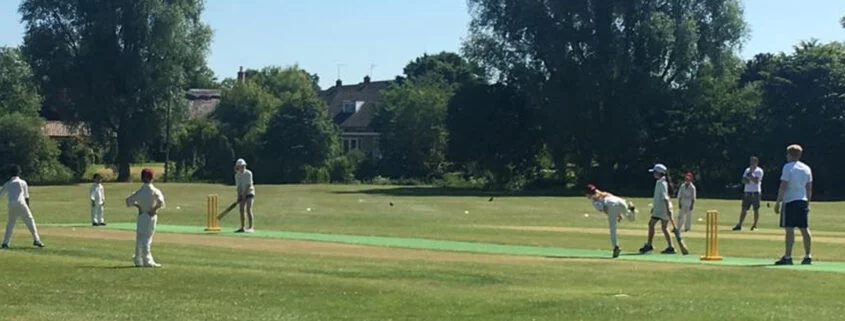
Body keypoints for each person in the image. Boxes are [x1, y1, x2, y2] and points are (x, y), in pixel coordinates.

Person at [774, 145, 813, 266]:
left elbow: (783, 185)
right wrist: (808, 202)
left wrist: (778, 202)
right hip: (802, 200)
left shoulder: (788, 167)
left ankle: (788, 256)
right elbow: (809, 188)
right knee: (804, 229)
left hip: (790, 201)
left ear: (790, 155)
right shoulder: (806, 168)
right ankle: (808, 255)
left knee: (789, 229)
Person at [125, 168, 165, 268]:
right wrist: (154, 209)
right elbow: (161, 202)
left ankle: (138, 259)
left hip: (141, 215)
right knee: (147, 238)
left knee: (139, 237)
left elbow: (128, 201)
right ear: (152, 178)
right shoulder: (155, 191)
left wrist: (138, 206)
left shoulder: (140, 191)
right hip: (150, 216)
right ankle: (147, 260)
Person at [585, 184, 637, 258]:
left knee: (613, 227)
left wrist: (616, 215)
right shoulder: (603, 193)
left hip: (611, 205)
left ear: (588, 194)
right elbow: (611, 197)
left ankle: (616, 247)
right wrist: (618, 214)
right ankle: (632, 210)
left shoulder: (595, 202)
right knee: (631, 219)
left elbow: (606, 209)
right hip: (620, 201)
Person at [0, 165, 45, 249]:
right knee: (30, 220)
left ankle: (5, 243)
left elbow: (1, 195)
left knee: (10, 223)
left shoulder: (8, 183)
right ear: (19, 172)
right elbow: (26, 197)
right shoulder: (22, 182)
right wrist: (28, 208)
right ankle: (36, 240)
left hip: (11, 204)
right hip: (21, 203)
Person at [639, 164, 675, 254]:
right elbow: (658, 198)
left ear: (659, 173)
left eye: (655, 172)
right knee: (663, 227)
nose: (653, 174)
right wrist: (654, 207)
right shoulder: (660, 182)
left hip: (662, 210)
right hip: (660, 209)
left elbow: (665, 198)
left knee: (653, 224)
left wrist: (668, 210)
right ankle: (670, 246)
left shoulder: (662, 183)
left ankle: (650, 245)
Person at [734, 156, 764, 231]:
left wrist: (751, 176)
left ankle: (755, 225)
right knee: (744, 208)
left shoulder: (759, 171)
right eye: (751, 161)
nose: (752, 163)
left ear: (757, 162)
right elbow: (744, 181)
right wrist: (748, 177)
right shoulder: (747, 170)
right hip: (747, 191)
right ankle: (739, 224)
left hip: (756, 192)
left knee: (756, 209)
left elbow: (756, 181)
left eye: (753, 161)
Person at [234, 158, 256, 233]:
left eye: (243, 166)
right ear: (238, 167)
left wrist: (244, 194)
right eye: (241, 166)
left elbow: (249, 185)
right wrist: (238, 196)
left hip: (250, 192)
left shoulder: (249, 173)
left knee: (248, 209)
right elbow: (239, 187)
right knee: (241, 210)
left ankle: (251, 227)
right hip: (242, 193)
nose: (243, 167)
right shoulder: (237, 175)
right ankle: (242, 227)